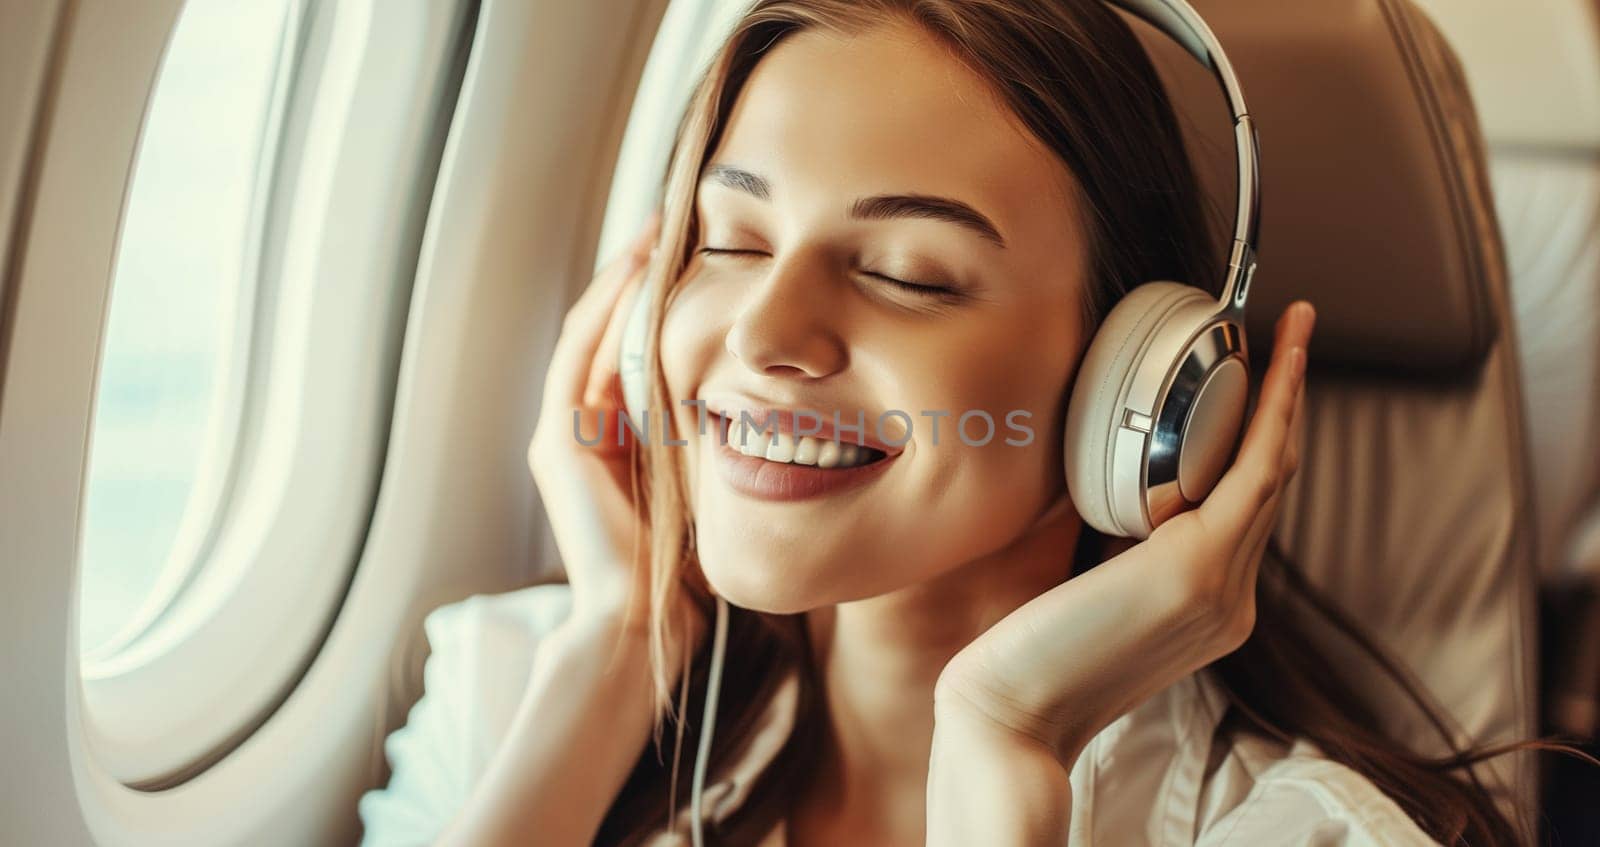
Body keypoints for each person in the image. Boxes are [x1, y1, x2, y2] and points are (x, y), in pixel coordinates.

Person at [359, 1, 1563, 844]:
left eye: (909, 274)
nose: (766, 332)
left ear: (1135, 387)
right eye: (731, 244)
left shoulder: (1293, 835)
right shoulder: (508, 695)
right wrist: (617, 654)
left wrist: (1004, 743)